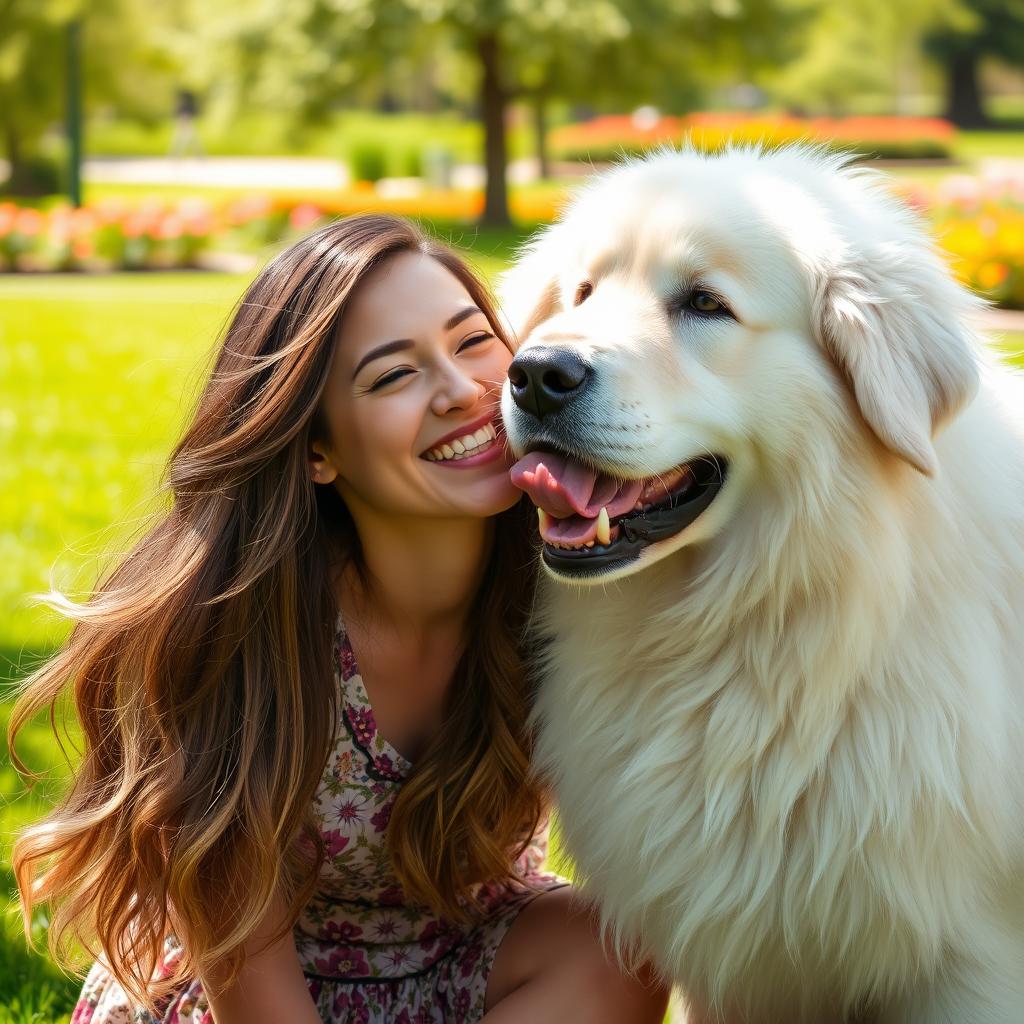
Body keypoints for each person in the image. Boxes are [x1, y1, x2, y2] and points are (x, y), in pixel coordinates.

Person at [10, 214, 670, 1023]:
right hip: (250, 991)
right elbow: (244, 956)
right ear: (317, 449)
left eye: (472, 343)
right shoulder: (246, 630)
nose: (463, 390)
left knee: (620, 943)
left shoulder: (576, 578)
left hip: (459, 960)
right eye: (393, 376)